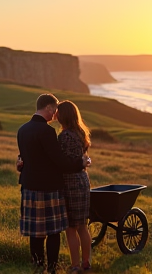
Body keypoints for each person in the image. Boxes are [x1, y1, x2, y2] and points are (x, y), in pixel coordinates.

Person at [17, 93, 90, 274]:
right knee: (53, 231)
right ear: (48, 108)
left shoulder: (22, 129)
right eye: (54, 110)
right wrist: (80, 163)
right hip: (48, 187)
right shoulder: (48, 132)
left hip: (28, 186)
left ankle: (37, 265)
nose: (55, 115)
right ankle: (51, 268)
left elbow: (24, 158)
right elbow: (59, 162)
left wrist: (20, 165)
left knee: (35, 232)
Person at [55, 100, 92, 274]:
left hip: (70, 183)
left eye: (58, 112)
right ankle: (86, 262)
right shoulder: (81, 133)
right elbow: (82, 159)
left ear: (64, 116)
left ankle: (75, 265)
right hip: (83, 180)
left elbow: (63, 163)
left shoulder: (64, 136)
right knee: (82, 225)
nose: (55, 115)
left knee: (70, 228)